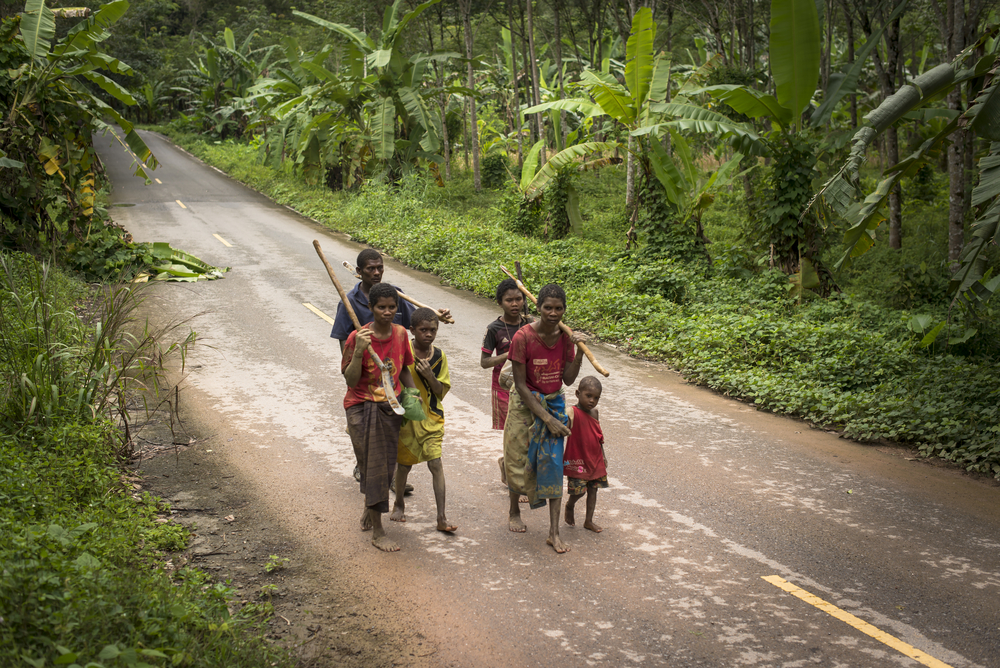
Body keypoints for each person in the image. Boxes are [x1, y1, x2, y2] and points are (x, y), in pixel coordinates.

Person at [332, 248, 451, 488]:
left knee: (393, 430)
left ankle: (392, 476)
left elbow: (417, 321)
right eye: (370, 269)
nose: (376, 273)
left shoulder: (396, 295)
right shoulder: (349, 303)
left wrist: (436, 315)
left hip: (393, 377)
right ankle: (366, 469)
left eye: (380, 268)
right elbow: (346, 343)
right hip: (365, 377)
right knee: (364, 433)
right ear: (359, 272)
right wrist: (355, 362)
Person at [503, 283, 587, 554]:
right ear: (538, 308)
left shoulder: (566, 338)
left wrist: (579, 351)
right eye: (548, 308)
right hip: (524, 403)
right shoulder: (523, 337)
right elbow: (520, 384)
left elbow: (568, 379)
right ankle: (514, 510)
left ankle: (553, 532)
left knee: (553, 464)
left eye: (558, 308)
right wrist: (546, 419)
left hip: (553, 402)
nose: (553, 313)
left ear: (564, 310)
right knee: (518, 459)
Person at [342, 282, 416, 552]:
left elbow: (404, 368)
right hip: (361, 406)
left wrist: (413, 393)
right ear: (370, 308)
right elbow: (350, 380)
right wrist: (359, 350)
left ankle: (370, 507)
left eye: (392, 307)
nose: (387, 312)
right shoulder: (357, 337)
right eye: (381, 307)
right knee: (370, 466)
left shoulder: (401, 333)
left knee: (385, 467)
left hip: (390, 407)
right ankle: (378, 531)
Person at [390, 308, 457, 533]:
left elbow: (440, 391)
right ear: (412, 330)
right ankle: (399, 503)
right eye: (423, 330)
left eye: (433, 330)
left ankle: (441, 517)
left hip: (432, 417)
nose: (428, 334)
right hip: (407, 418)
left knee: (435, 463)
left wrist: (430, 376)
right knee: (404, 465)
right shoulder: (404, 350)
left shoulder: (439, 356)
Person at [481, 278, 531, 484]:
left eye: (518, 299)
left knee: (526, 429)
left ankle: (508, 463)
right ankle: (513, 475)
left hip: (528, 384)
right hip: (503, 386)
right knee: (511, 431)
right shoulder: (494, 329)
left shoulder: (530, 324)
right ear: (500, 302)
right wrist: (509, 354)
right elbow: (485, 362)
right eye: (509, 300)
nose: (515, 304)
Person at [563, 376, 608, 533]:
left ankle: (589, 521)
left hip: (595, 458)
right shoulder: (571, 412)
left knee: (594, 490)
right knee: (579, 490)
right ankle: (570, 505)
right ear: (577, 393)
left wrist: (603, 456)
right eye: (588, 396)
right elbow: (564, 430)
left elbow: (598, 437)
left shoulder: (594, 413)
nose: (592, 401)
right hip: (578, 460)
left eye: (596, 398)